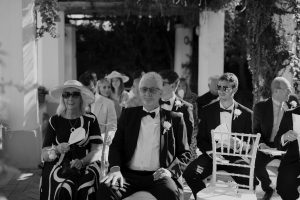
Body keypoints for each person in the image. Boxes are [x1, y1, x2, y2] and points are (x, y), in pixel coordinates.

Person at [97, 72, 191, 200]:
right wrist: (115, 169)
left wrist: (170, 171)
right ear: (139, 92)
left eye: (153, 89)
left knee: (170, 193)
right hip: (128, 175)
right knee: (105, 188)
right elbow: (116, 146)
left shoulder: (175, 119)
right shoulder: (128, 115)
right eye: (144, 89)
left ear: (160, 92)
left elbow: (185, 154)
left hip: (158, 176)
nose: (148, 93)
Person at [183, 73, 254, 199]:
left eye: (225, 88)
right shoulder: (207, 110)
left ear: (235, 89)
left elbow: (249, 144)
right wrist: (212, 152)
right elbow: (201, 140)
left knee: (251, 180)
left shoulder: (247, 114)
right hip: (212, 156)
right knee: (190, 174)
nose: (220, 91)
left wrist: (240, 144)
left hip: (235, 158)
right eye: (219, 87)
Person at [40, 80, 103, 200]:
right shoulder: (55, 120)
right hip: (58, 164)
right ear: (62, 98)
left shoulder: (90, 119)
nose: (70, 98)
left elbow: (97, 150)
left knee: (86, 184)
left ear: (81, 98)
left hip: (86, 163)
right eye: (66, 94)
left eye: (75, 94)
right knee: (63, 187)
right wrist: (57, 149)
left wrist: (82, 162)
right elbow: (44, 154)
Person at [253, 76, 292, 200]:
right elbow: (256, 130)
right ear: (277, 91)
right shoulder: (260, 107)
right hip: (266, 146)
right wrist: (261, 144)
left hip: (284, 146)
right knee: (256, 167)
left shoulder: (291, 108)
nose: (290, 93)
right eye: (288, 89)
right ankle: (268, 187)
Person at [159, 70, 194, 146]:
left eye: (162, 84)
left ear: (173, 86)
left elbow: (188, 140)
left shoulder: (185, 108)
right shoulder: (151, 105)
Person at [274, 107, 300, 200]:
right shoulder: (289, 114)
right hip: (294, 161)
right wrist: (285, 137)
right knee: (284, 188)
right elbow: (277, 141)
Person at [92, 78, 117, 163]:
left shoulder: (110, 103)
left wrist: (109, 137)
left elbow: (112, 124)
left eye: (109, 87)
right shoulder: (88, 100)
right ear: (98, 88)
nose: (107, 90)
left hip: (102, 141)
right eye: (104, 87)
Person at [176, 78, 199, 160]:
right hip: (177, 131)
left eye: (183, 86)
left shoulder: (193, 98)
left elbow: (196, 119)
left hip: (191, 131)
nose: (181, 88)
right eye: (179, 86)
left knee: (190, 156)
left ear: (187, 87)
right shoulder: (173, 100)